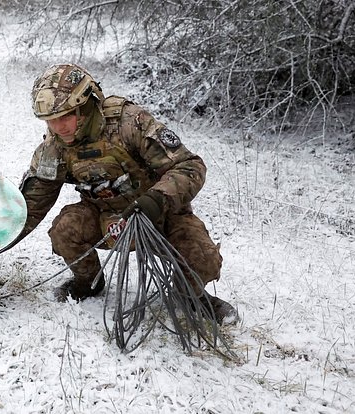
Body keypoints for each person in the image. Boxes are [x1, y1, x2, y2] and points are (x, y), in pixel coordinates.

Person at [16, 63, 237, 324]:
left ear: (85, 107)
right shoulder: (54, 148)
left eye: (65, 116)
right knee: (65, 229)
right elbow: (32, 204)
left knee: (202, 258)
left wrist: (156, 200)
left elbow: (190, 166)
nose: (58, 127)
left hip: (159, 213)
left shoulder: (129, 123)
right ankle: (88, 283)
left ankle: (191, 296)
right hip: (105, 217)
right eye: (51, 121)